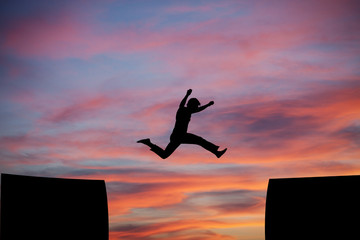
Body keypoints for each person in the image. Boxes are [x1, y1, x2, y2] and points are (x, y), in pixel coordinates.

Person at [137, 89, 227, 159]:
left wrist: (208, 105)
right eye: (195, 106)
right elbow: (182, 105)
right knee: (199, 140)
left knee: (165, 155)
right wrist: (187, 95)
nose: (196, 108)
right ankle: (216, 152)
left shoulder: (188, 111)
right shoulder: (183, 110)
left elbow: (198, 110)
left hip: (179, 136)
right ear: (191, 105)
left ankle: (148, 143)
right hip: (179, 136)